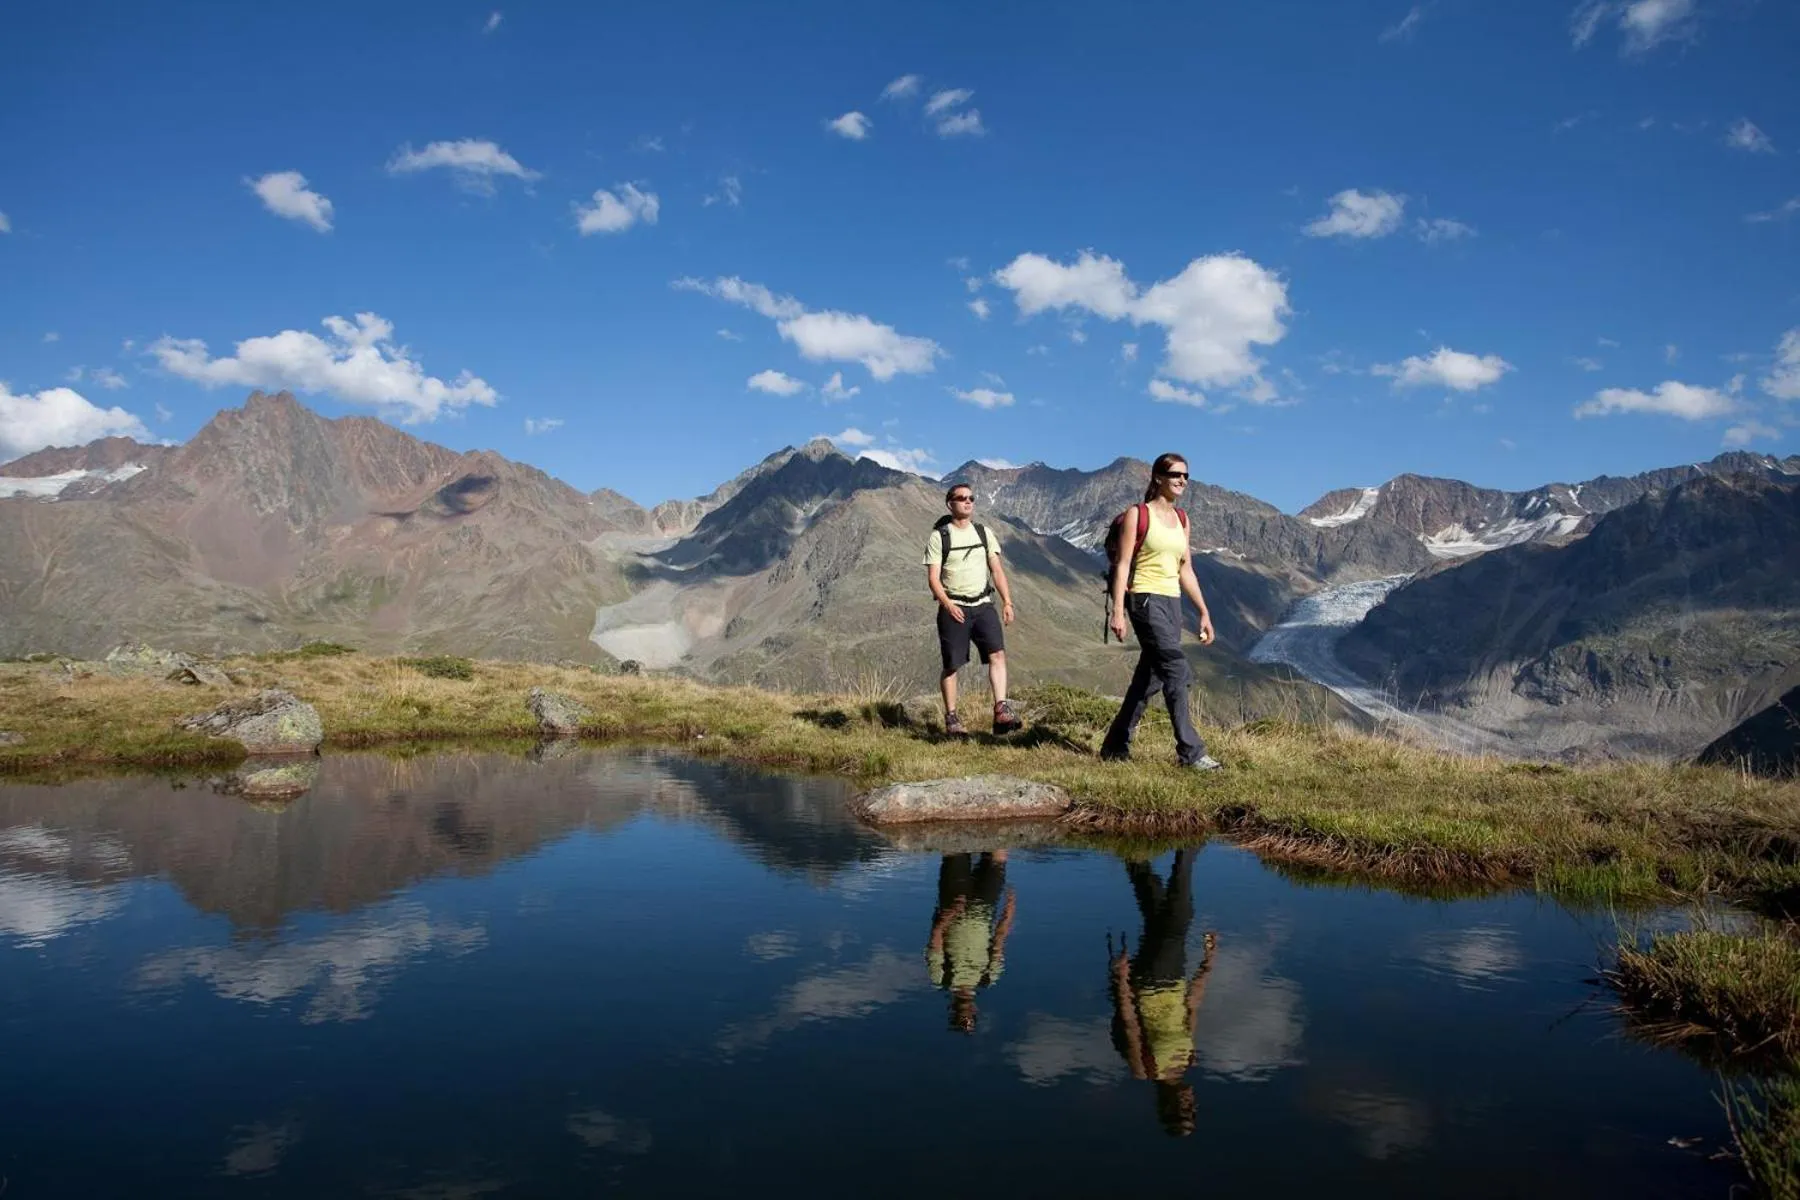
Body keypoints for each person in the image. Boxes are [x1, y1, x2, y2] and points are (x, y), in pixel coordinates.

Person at [1100, 452, 1221, 769]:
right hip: (1145, 599)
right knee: (1176, 670)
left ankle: (1114, 745)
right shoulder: (1138, 515)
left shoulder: (1182, 520)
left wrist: (1204, 612)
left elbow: (1185, 569)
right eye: (1175, 475)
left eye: (1185, 476)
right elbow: (1123, 564)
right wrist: (1118, 611)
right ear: (1158, 477)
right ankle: (1191, 753)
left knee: (1149, 678)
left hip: (1172, 602)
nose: (1182, 480)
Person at [1108, 849, 1218, 1137]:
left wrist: (1121, 980)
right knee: (1156, 911)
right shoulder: (1189, 1058)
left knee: (1179, 921)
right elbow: (1191, 1006)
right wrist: (1207, 965)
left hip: (1151, 982)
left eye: (1182, 1112)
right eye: (1192, 1111)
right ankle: (1131, 854)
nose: (1189, 1104)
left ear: (1165, 1107)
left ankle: (1187, 851)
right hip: (1176, 975)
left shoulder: (1144, 1069)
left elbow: (1130, 1023)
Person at [923, 483, 1022, 736]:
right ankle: (952, 719)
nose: (968, 502)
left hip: (983, 605)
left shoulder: (983, 533)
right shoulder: (939, 537)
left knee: (997, 654)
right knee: (952, 664)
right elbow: (933, 579)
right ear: (950, 504)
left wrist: (1007, 601)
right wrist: (948, 604)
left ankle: (1001, 710)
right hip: (953, 607)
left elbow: (996, 570)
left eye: (971, 498)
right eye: (962, 498)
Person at [925, 851, 1017, 1033]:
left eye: (961, 1017)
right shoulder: (989, 978)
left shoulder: (941, 978)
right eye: (969, 1017)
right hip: (984, 908)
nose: (965, 1012)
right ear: (975, 1010)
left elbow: (936, 938)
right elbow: (999, 939)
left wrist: (950, 913)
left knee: (955, 851)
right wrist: (1008, 912)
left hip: (954, 906)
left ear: (952, 1010)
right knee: (998, 856)